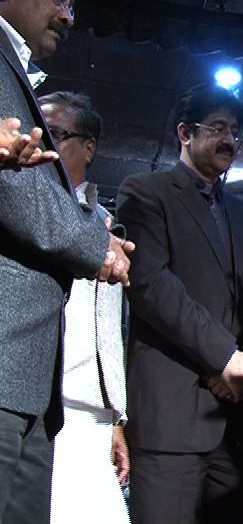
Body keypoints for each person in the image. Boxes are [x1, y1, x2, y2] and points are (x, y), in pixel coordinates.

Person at [0, 0, 133, 522]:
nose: (69, 15)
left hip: (31, 380)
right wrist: (95, 245)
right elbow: (17, 192)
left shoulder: (14, 67)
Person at [116, 82, 243, 524]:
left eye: (234, 130)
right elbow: (151, 286)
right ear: (184, 133)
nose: (229, 139)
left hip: (238, 420)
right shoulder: (145, 192)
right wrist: (224, 357)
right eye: (217, 127)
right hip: (172, 417)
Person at [38, 91, 130, 524]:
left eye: (55, 134)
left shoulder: (106, 224)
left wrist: (116, 418)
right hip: (39, 400)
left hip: (92, 408)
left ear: (88, 147)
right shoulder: (24, 213)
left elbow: (108, 329)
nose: (41, 142)